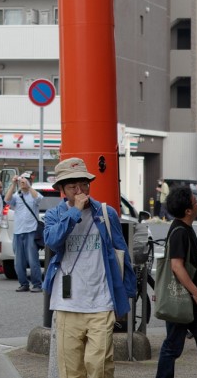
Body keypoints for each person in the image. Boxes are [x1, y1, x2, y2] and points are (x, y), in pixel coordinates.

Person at [43, 156, 135, 378]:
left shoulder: (105, 213)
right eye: (72, 186)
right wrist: (74, 212)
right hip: (67, 304)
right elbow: (52, 241)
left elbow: (122, 254)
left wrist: (126, 296)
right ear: (63, 190)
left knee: (100, 367)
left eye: (83, 184)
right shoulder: (55, 215)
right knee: (71, 370)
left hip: (101, 302)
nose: (80, 190)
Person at [155, 184, 197, 378]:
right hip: (184, 299)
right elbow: (176, 266)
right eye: (194, 199)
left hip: (190, 299)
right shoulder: (181, 232)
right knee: (173, 347)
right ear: (188, 210)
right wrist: (196, 292)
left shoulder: (183, 228)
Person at [8, 174, 43, 292]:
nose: (22, 183)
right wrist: (13, 184)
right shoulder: (17, 196)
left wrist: (29, 186)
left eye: (25, 181)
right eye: (21, 181)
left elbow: (39, 198)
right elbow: (7, 199)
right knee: (18, 262)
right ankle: (23, 283)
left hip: (31, 231)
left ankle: (37, 284)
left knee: (33, 260)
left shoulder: (33, 195)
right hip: (18, 232)